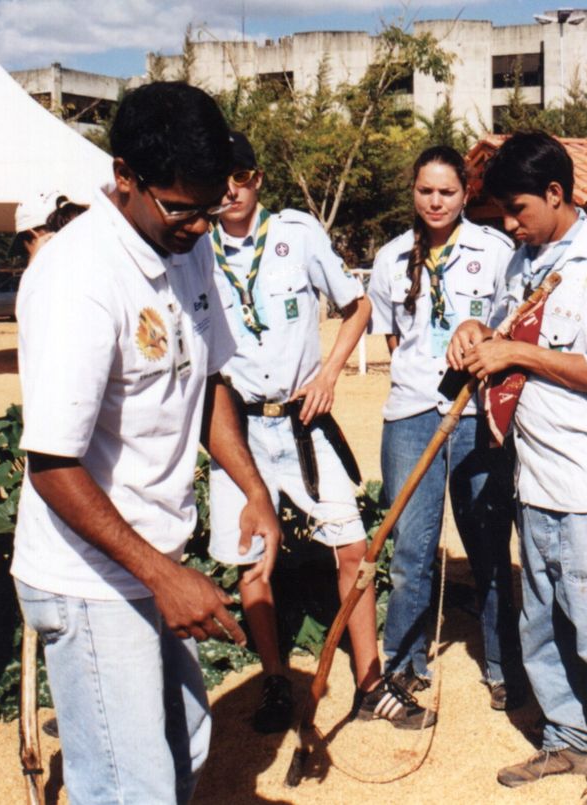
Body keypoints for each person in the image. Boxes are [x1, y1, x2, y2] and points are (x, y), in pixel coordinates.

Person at [11, 82, 282, 804]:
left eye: (210, 207)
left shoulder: (186, 244)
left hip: (151, 558)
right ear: (124, 175)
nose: (199, 226)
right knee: (131, 789)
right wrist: (163, 577)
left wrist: (253, 489)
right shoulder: (77, 279)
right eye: (181, 209)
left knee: (186, 745)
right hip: (90, 578)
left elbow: (208, 378)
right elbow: (52, 464)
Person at [447, 132, 587, 804]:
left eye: (518, 209)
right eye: (504, 212)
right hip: (534, 480)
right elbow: (504, 332)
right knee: (542, 623)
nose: (509, 224)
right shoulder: (522, 263)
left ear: (557, 193)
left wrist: (517, 354)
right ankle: (568, 736)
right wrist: (476, 332)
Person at [205, 131, 385, 733]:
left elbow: (358, 305)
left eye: (241, 176)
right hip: (240, 429)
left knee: (353, 548)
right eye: (220, 178)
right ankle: (276, 681)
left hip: (305, 424)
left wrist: (329, 374)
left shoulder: (297, 234)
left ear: (257, 178)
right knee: (253, 560)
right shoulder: (197, 248)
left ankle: (371, 683)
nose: (231, 189)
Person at [367, 145, 522, 714]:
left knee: (489, 545)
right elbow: (395, 339)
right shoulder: (391, 257)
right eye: (425, 191)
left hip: (477, 416)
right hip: (412, 415)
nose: (435, 202)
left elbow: (513, 326)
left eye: (447, 192)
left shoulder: (496, 250)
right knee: (411, 549)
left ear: (466, 193)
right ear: (413, 190)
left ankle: (504, 664)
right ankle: (404, 664)